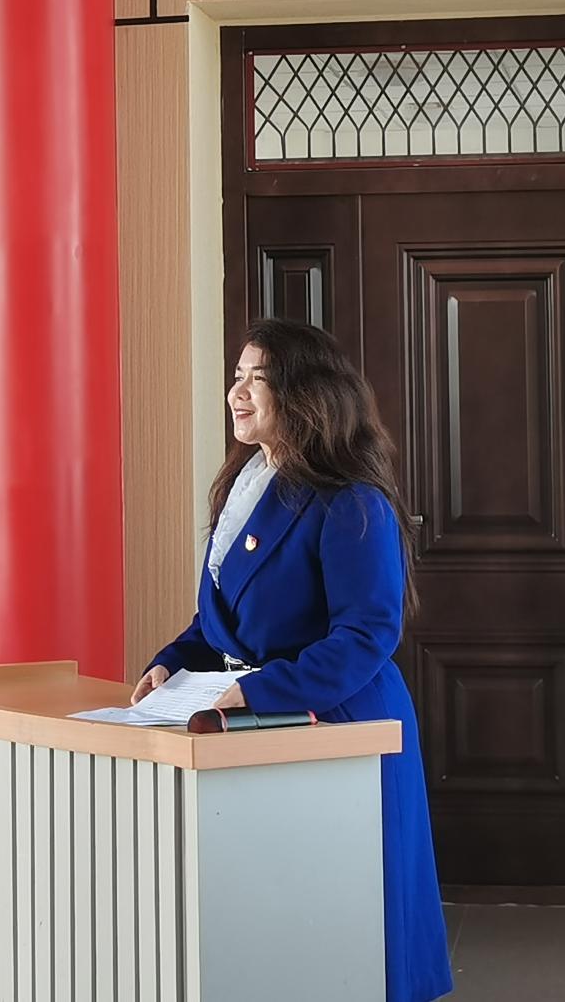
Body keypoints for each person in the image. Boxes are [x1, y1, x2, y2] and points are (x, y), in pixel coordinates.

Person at [135, 318, 453, 1001]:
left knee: (359, 923)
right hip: (268, 720)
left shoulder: (351, 500)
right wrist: (171, 663)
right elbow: (223, 621)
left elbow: (366, 634)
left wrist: (257, 691)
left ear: (305, 394)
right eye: (237, 376)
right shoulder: (246, 483)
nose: (237, 393)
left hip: (342, 720)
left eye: (259, 379)